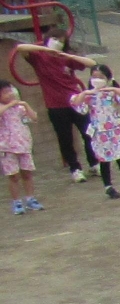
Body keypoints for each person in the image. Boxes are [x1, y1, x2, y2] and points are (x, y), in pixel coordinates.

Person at [5, 33, 98, 181]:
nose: (58, 43)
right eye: (55, 39)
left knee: (89, 133)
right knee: (65, 138)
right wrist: (46, 49)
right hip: (55, 105)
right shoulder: (39, 57)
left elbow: (92, 63)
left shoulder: (66, 58)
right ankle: (75, 168)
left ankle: (94, 163)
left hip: (76, 101)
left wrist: (68, 56)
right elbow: (21, 48)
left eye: (61, 41)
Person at [72, 63, 120, 199]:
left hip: (115, 130)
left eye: (100, 77)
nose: (97, 80)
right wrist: (85, 93)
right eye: (94, 77)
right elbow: (77, 105)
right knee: (104, 159)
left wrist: (112, 88)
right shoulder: (90, 96)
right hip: (100, 133)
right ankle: (108, 186)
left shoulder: (112, 93)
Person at [1, 83, 42, 213]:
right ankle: (16, 202)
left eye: (10, 91)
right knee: (13, 175)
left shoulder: (19, 108)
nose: (9, 94)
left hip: (24, 144)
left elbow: (34, 118)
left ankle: (30, 199)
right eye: (5, 92)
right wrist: (9, 105)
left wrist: (25, 104)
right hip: (7, 147)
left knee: (27, 173)